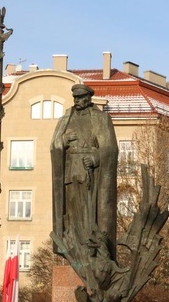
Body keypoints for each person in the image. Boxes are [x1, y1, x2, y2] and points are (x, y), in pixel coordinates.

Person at [50, 83, 118, 258]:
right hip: (69, 170)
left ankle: (90, 246)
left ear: (89, 99)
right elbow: (54, 146)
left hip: (90, 173)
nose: (77, 101)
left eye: (80, 98)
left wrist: (95, 158)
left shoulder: (101, 119)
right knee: (72, 211)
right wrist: (63, 141)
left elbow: (110, 149)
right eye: (75, 98)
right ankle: (72, 242)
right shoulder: (66, 118)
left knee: (89, 211)